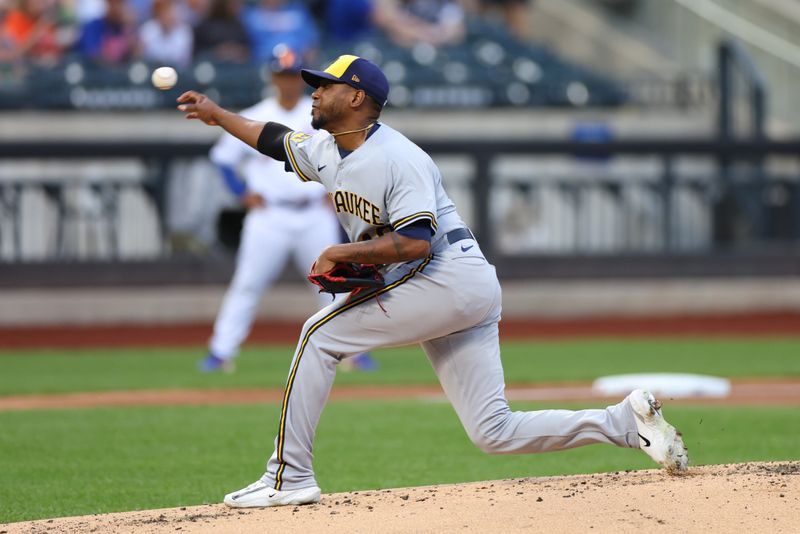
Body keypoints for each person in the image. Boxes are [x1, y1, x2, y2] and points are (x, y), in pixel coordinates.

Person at [176, 54, 689, 507]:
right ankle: (622, 423)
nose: (315, 91)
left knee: (318, 335)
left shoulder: (398, 157)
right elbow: (273, 141)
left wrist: (344, 250)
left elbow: (418, 239)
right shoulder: (328, 149)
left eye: (325, 85)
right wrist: (217, 115)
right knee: (494, 432)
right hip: (452, 285)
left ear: (356, 97)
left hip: (445, 273)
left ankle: (288, 478)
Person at [198, 49, 375, 374]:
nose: (288, 82)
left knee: (333, 282)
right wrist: (242, 193)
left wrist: (336, 192)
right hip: (269, 216)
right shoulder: (257, 114)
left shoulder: (318, 116)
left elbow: (346, 157)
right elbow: (222, 158)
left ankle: (354, 352)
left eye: (293, 75)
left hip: (313, 214)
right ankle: (220, 352)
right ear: (272, 78)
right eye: (282, 75)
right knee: (248, 284)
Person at [138, 0, 193, 68]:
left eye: (169, 12)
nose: (167, 16)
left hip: (177, 71)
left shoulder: (184, 31)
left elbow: (184, 61)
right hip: (151, 69)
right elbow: (141, 57)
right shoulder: (147, 30)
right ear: (158, 14)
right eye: (164, 12)